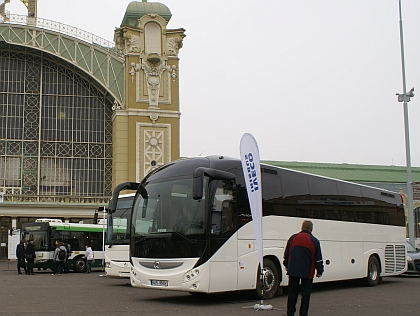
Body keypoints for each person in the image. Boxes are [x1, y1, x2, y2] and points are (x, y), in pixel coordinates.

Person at [283, 220, 324, 316]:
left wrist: (287, 266)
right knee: (305, 294)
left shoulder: (293, 238)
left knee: (292, 293)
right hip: (307, 272)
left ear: (302, 227)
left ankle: (290, 313)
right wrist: (319, 271)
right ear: (311, 229)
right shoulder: (314, 241)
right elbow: (318, 259)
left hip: (293, 271)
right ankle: (303, 313)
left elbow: (286, 255)